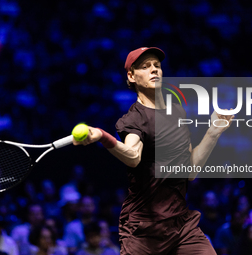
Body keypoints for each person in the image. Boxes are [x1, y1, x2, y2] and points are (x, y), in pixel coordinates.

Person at [73, 47, 234, 254]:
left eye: (157, 66)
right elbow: (132, 157)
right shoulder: (134, 119)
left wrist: (213, 133)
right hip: (143, 230)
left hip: (181, 226)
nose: (154, 70)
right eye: (146, 66)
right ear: (131, 76)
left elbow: (190, 171)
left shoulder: (177, 112)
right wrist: (103, 136)